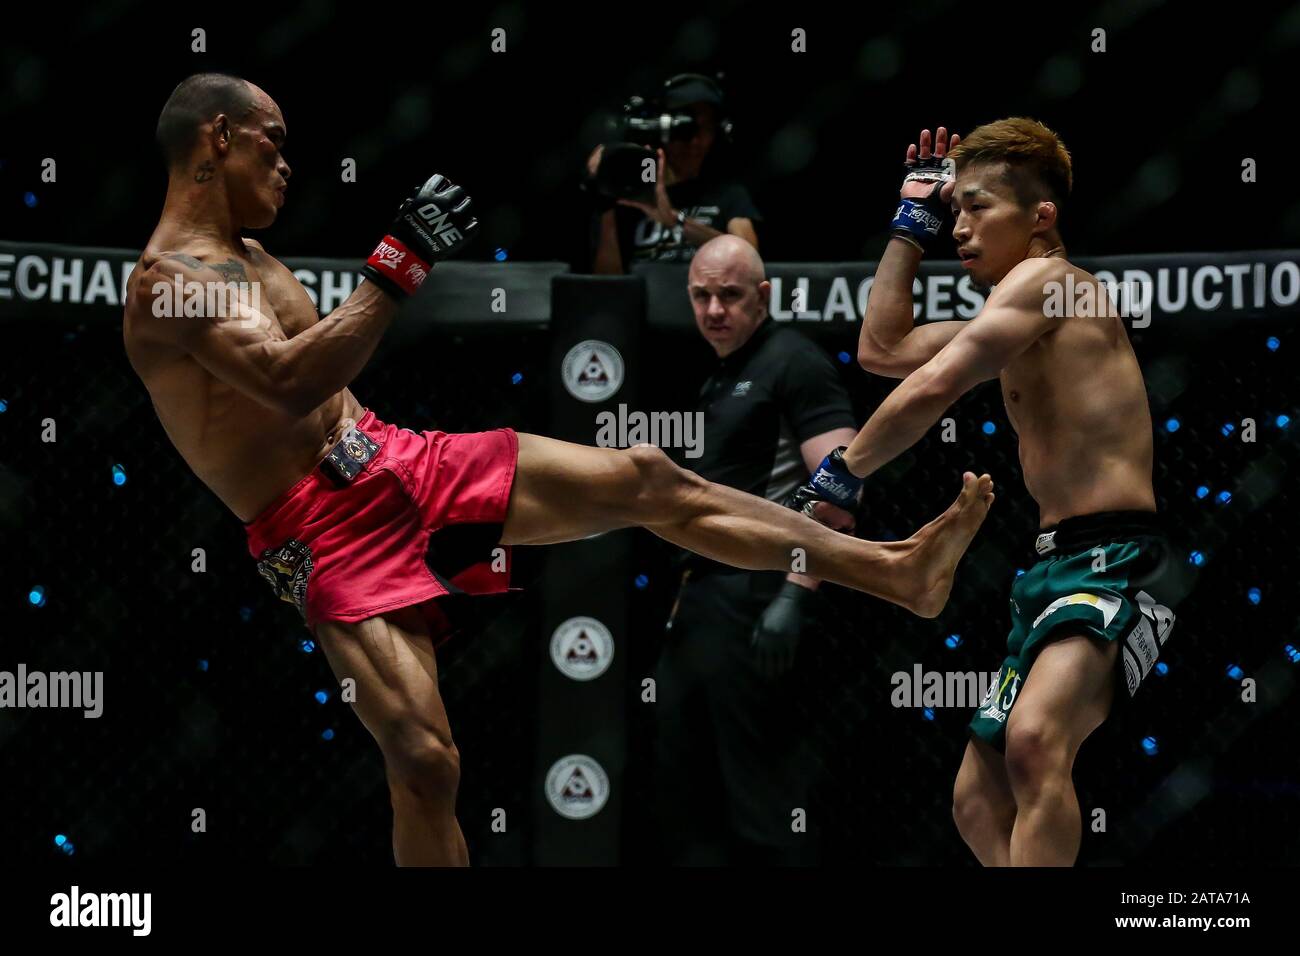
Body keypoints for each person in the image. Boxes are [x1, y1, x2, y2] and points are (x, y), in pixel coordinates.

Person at [123, 74, 993, 866]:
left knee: (649, 475)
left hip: (393, 458)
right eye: (273, 143)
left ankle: (894, 570)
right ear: (218, 138)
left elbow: (326, 385)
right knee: (425, 762)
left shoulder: (252, 256)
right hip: (320, 531)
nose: (288, 165)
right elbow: (288, 383)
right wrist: (397, 263)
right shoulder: (168, 284)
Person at [787, 121, 1184, 866]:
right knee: (976, 797)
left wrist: (843, 472)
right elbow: (883, 351)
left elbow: (936, 383)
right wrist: (910, 225)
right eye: (953, 211)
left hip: (1121, 558)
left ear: (1041, 218)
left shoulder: (1054, 284)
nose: (960, 228)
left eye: (978, 209)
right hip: (1050, 566)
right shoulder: (1009, 308)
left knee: (1034, 742)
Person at [654, 235, 858, 865]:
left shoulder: (793, 360)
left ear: (763, 296)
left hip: (759, 593)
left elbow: (842, 486)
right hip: (701, 598)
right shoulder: (721, 371)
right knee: (686, 783)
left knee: (760, 792)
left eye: (731, 295)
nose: (715, 309)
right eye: (702, 296)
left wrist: (796, 594)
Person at [587, 74, 760, 274]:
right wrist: (604, 194)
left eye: (705, 129)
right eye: (684, 129)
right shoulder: (630, 191)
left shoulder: (729, 194)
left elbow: (749, 257)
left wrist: (675, 220)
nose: (695, 142)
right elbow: (608, 282)